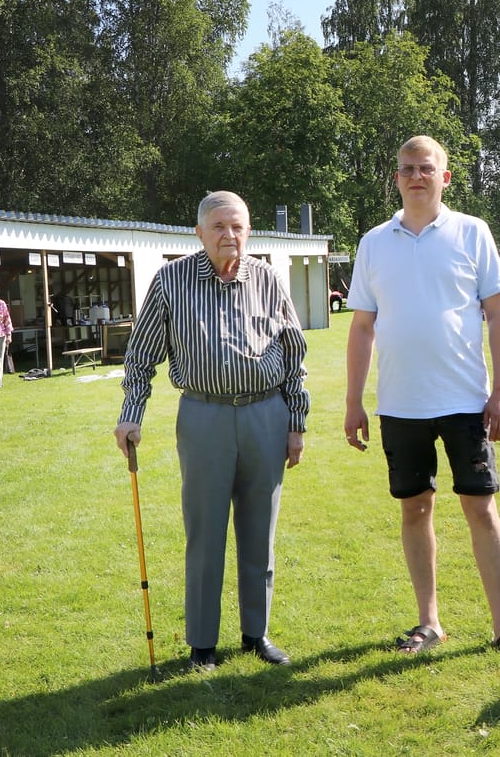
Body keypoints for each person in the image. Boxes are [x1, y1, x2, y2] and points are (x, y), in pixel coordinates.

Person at [343, 135, 500, 661]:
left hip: (465, 402)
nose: (415, 176)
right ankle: (428, 623)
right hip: (400, 404)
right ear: (397, 177)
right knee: (415, 510)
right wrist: (353, 401)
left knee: (481, 508)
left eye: (425, 168)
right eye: (406, 168)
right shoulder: (373, 243)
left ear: (444, 177)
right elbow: (362, 328)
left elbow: (498, 314)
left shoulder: (473, 233)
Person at [113, 191, 309, 673]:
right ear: (199, 233)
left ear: (249, 230)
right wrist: (131, 414)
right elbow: (140, 358)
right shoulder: (171, 281)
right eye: (219, 226)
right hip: (204, 417)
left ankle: (255, 635)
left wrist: (296, 424)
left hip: (267, 415)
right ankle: (202, 644)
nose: (230, 236)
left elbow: (294, 356)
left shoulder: (267, 279)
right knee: (204, 533)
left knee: (259, 532)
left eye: (238, 226)